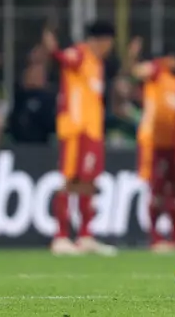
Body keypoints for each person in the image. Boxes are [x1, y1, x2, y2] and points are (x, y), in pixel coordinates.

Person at [44, 22, 116, 256]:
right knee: (70, 180)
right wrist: (53, 49)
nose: (109, 48)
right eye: (108, 43)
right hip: (75, 129)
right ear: (99, 40)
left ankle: (85, 236)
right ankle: (60, 236)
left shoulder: (97, 63)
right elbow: (63, 58)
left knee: (88, 183)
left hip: (93, 131)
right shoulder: (80, 54)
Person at [132, 44, 175, 251]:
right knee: (157, 190)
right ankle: (155, 238)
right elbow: (136, 72)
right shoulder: (159, 69)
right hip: (154, 141)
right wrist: (132, 57)